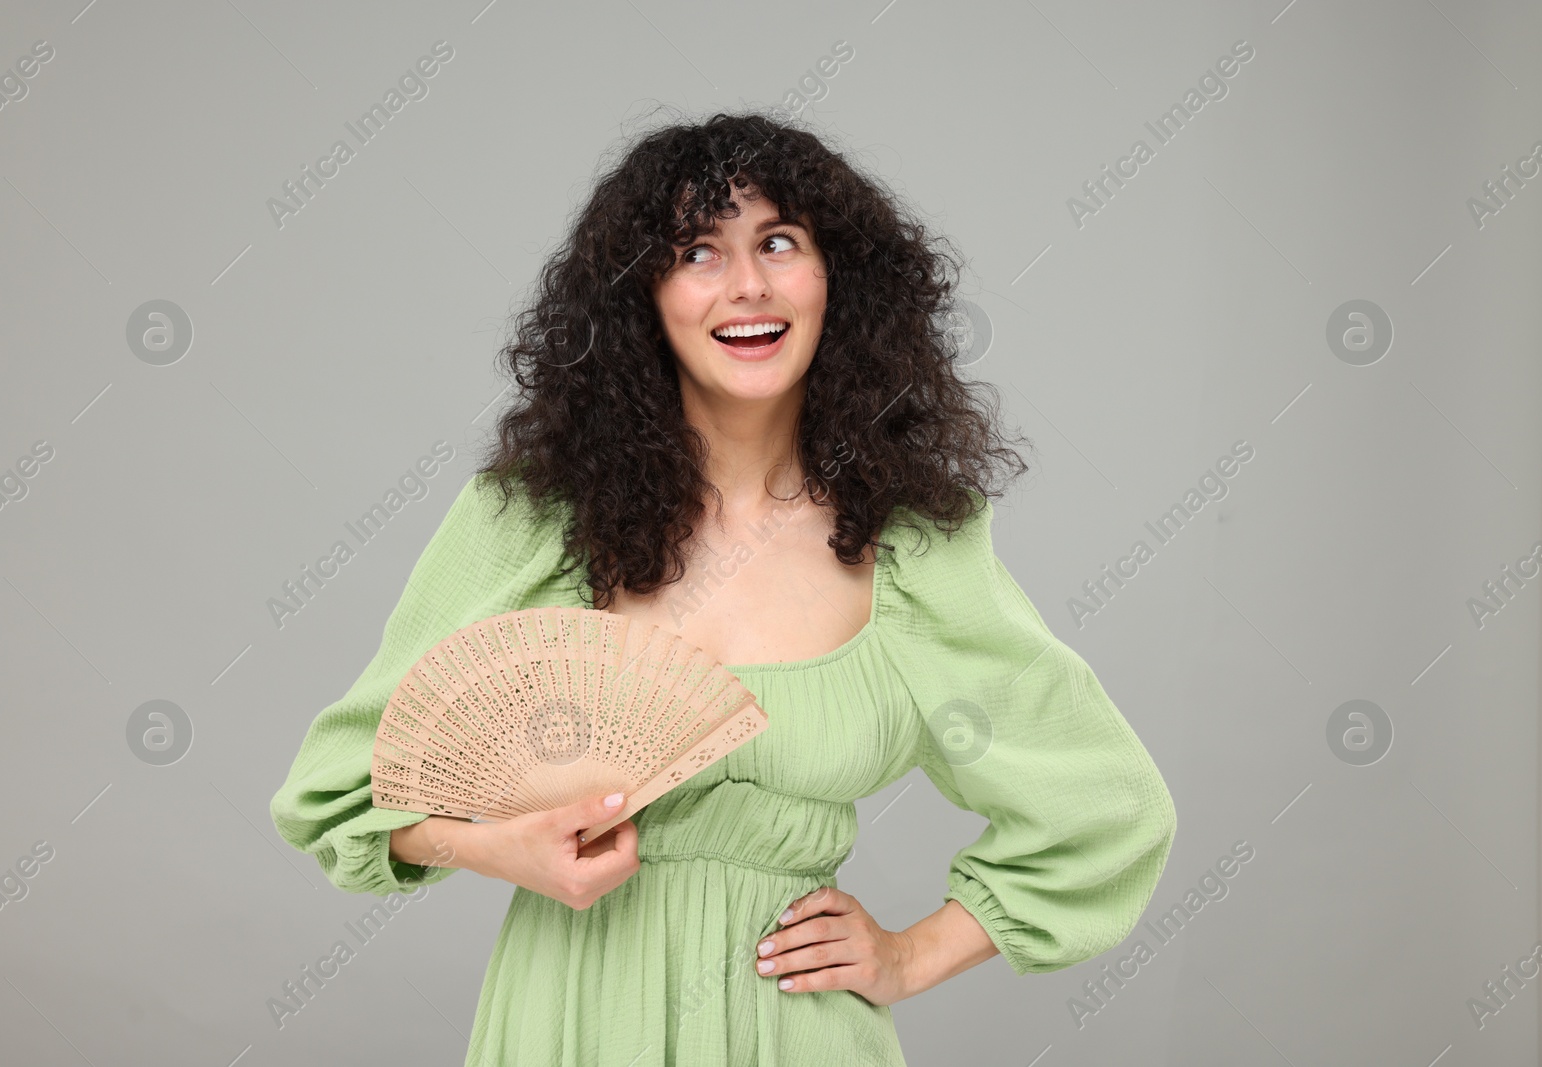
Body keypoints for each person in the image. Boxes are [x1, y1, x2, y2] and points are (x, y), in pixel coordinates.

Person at [269, 109, 1177, 1066]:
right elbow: (336, 792)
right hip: (570, 1021)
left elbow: (1107, 809)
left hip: (796, 1032)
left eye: (779, 242)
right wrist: (494, 847)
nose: (748, 284)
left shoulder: (911, 548)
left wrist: (910, 956)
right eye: (697, 251)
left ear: (840, 281)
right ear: (642, 298)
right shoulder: (535, 520)